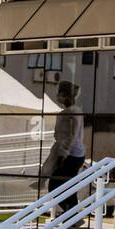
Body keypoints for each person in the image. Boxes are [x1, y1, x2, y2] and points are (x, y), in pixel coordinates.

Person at [44, 80, 87, 215]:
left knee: (54, 185)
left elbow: (70, 135)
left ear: (65, 95)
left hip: (70, 155)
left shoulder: (68, 113)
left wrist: (63, 154)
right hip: (77, 155)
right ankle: (72, 214)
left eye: (59, 94)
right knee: (68, 185)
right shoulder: (77, 111)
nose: (58, 97)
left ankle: (71, 213)